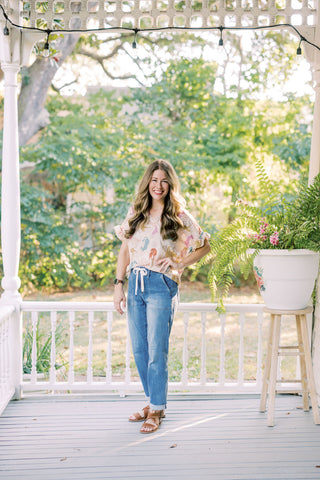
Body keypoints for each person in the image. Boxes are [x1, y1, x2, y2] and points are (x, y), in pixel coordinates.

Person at [113, 160, 210, 434]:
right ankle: (154, 401)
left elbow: (204, 244)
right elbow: (125, 250)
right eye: (154, 180)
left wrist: (180, 264)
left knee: (157, 351)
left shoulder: (178, 214)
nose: (158, 186)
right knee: (140, 350)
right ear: (148, 182)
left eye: (164, 181)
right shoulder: (137, 211)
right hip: (135, 285)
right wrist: (118, 284)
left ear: (170, 184)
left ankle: (156, 409)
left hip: (161, 285)